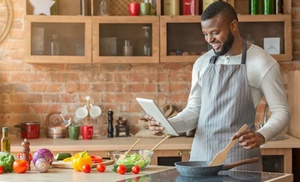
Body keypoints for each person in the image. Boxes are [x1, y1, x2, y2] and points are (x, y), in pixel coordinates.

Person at [147, 1, 290, 171]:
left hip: (238, 161)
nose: (209, 40)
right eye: (205, 34)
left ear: (233, 25)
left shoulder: (262, 63)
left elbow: (281, 111)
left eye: (215, 33)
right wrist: (168, 125)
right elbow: (194, 111)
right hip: (200, 161)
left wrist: (261, 136)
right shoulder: (202, 63)